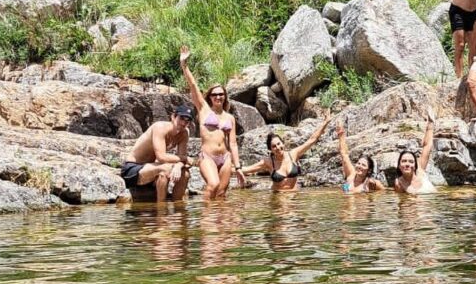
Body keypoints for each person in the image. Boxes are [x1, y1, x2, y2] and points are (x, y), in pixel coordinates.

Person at [180, 45, 245, 199]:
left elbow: (233, 144)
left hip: (225, 157)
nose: (218, 97)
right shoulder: (204, 109)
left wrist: (238, 167)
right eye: (214, 94)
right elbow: (193, 85)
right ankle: (206, 215)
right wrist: (184, 65)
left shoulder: (230, 118)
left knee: (221, 193)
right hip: (207, 156)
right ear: (209, 97)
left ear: (225, 96)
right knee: (213, 184)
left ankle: (219, 215)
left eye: (221, 94)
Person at [119, 105, 193, 202]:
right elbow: (161, 157)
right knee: (165, 169)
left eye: (187, 121)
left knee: (185, 173)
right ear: (173, 117)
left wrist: (178, 166)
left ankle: (179, 206)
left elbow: (182, 157)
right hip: (133, 169)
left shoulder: (184, 133)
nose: (183, 123)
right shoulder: (160, 127)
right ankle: (161, 208)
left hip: (152, 168)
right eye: (181, 118)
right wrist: (185, 159)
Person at [240, 115, 331, 192]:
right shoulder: (268, 162)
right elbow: (247, 169)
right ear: (270, 150)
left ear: (283, 143)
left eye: (279, 144)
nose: (278, 147)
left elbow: (311, 140)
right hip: (278, 198)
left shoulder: (293, 154)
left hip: (295, 197)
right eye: (274, 146)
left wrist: (325, 122)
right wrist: (233, 167)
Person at [394, 109, 437, 195]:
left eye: (411, 161)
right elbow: (402, 201)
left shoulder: (420, 170)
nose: (407, 164)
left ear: (415, 165)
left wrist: (430, 124)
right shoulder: (399, 183)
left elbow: (427, 146)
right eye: (404, 161)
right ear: (399, 165)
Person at [336, 120, 386, 193]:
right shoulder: (351, 174)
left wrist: (372, 197)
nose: (359, 166)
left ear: (369, 170)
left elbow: (384, 192)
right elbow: (344, 154)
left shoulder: (370, 183)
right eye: (358, 163)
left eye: (363, 165)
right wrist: (341, 134)